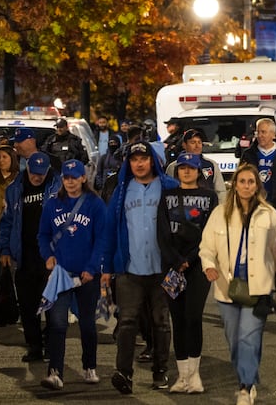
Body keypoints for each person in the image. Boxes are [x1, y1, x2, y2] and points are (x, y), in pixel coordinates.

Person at [200, 163, 276, 405]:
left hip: (259, 286)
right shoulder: (220, 213)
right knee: (234, 340)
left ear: (257, 186)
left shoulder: (268, 214)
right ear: (234, 185)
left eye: (251, 182)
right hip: (227, 287)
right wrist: (209, 265)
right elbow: (206, 247)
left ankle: (245, 388)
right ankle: (249, 378)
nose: (246, 186)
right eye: (242, 181)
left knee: (249, 336)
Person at [102, 142, 179, 393]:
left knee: (161, 322)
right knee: (126, 322)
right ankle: (124, 373)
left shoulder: (169, 187)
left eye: (143, 159)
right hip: (129, 269)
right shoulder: (121, 191)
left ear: (152, 161)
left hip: (163, 269)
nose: (139, 163)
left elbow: (182, 226)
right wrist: (106, 267)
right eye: (134, 159)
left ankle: (160, 371)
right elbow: (110, 231)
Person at [37, 159, 107, 390]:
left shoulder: (95, 204)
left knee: (87, 324)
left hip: (87, 274)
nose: (70, 182)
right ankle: (55, 372)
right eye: (66, 178)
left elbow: (102, 238)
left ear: (83, 178)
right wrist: (48, 256)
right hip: (61, 274)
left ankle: (89, 366)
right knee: (57, 324)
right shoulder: (52, 204)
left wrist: (92, 267)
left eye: (74, 177)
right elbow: (43, 234)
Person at [157, 152, 219, 393]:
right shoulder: (166, 196)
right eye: (182, 167)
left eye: (191, 168)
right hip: (172, 266)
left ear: (198, 171)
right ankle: (182, 376)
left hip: (198, 265)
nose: (186, 171)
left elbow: (210, 232)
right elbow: (162, 231)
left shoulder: (209, 196)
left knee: (193, 317)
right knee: (178, 319)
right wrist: (175, 260)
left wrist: (189, 259)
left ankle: (195, 376)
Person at [239, 118, 276, 221]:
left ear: (273, 134)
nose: (260, 135)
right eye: (258, 132)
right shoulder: (248, 154)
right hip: (253, 203)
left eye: (263, 132)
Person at [166, 129, 227, 199]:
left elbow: (220, 191)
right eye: (193, 142)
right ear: (184, 145)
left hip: (207, 203)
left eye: (199, 142)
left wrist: (221, 205)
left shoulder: (210, 164)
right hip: (181, 203)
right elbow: (168, 191)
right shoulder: (173, 166)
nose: (197, 146)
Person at [0, 144, 18, 279]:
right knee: (0, 275)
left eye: (4, 157)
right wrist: (0, 202)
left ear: (12, 159)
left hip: (15, 234)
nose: (1, 160)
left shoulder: (20, 179)